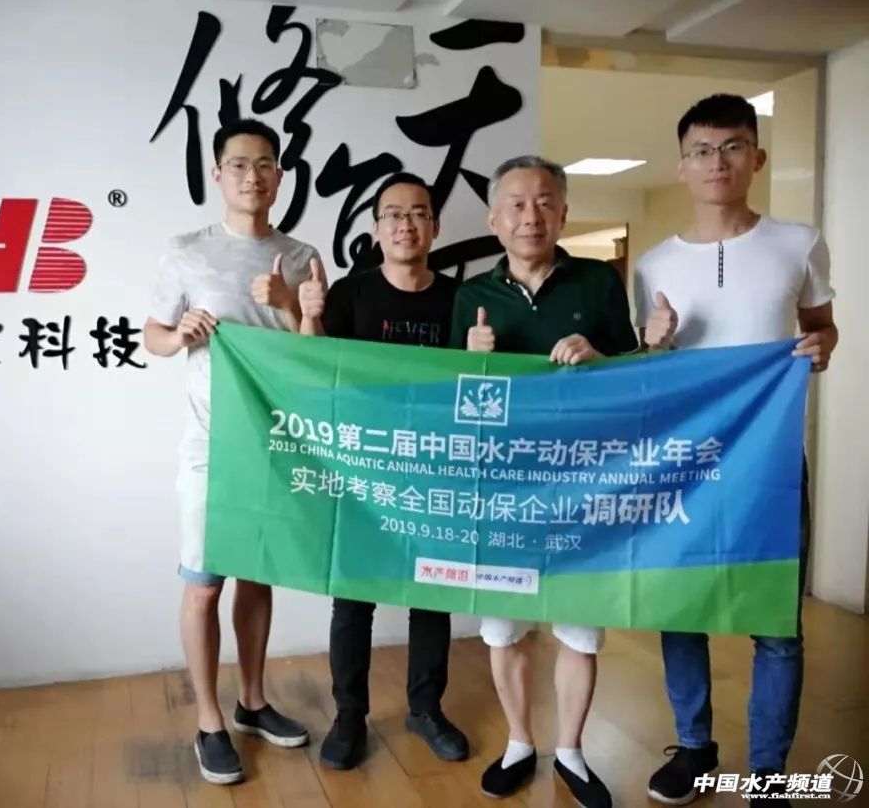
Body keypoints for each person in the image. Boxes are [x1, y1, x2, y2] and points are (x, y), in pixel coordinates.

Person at [635, 93, 837, 806]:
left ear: (757, 158)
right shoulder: (653, 264)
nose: (715, 162)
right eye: (701, 150)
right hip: (685, 468)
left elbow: (822, 325)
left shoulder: (798, 243)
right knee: (680, 610)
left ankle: (769, 770)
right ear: (681, 165)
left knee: (775, 622)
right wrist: (653, 343)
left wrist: (822, 346)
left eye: (731, 147)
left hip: (770, 464)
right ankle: (695, 747)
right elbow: (645, 374)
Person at [451, 155, 639, 808]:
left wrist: (600, 356)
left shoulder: (599, 282)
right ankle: (519, 742)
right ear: (494, 219)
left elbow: (633, 374)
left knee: (581, 627)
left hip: (584, 480)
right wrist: (470, 361)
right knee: (504, 627)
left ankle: (572, 751)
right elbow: (447, 397)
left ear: (563, 212)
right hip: (502, 485)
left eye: (544, 202)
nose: (530, 216)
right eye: (516, 204)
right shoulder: (470, 295)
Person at [143, 118, 322, 786]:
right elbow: (153, 336)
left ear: (280, 175)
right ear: (218, 174)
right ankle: (209, 721)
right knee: (203, 584)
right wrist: (180, 334)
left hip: (274, 441)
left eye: (266, 163)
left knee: (257, 575)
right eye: (240, 164)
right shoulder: (186, 251)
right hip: (209, 442)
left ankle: (251, 701)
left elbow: (316, 356)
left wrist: (292, 305)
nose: (254, 175)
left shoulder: (302, 256)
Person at [297, 173, 470, 770]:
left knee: (432, 597)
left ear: (435, 226)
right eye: (393, 214)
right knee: (353, 602)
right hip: (363, 471)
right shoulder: (351, 293)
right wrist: (309, 317)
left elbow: (475, 384)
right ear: (377, 229)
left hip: (436, 471)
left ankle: (425, 709)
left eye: (418, 213)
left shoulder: (460, 299)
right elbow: (316, 372)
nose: (405, 225)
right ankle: (349, 715)